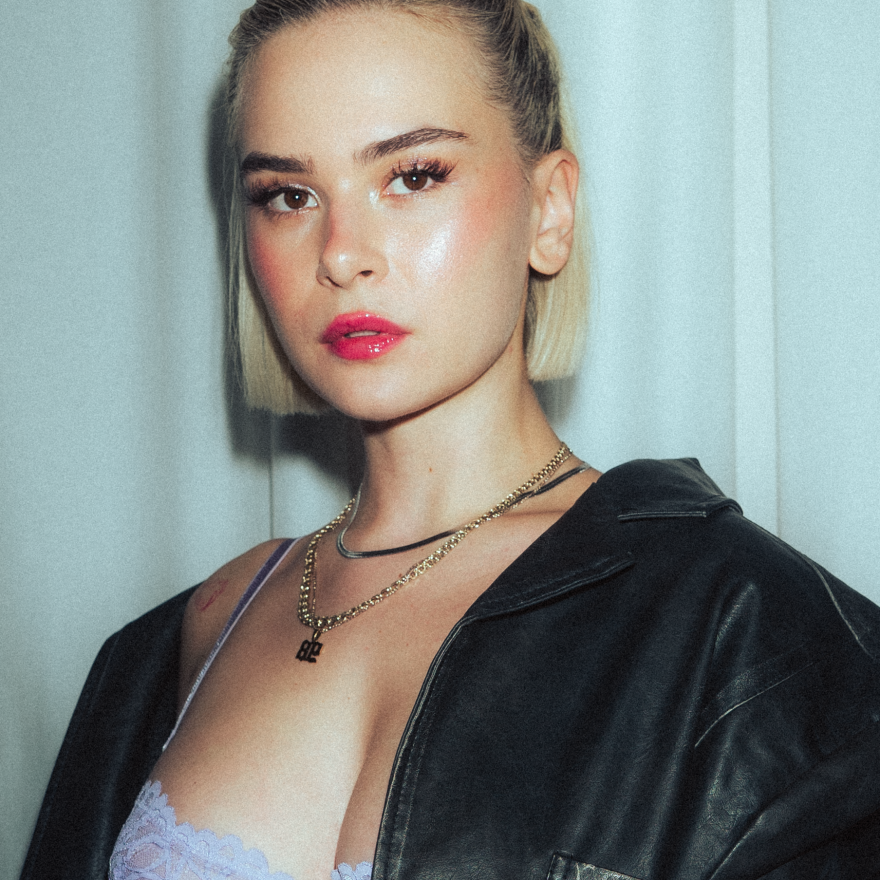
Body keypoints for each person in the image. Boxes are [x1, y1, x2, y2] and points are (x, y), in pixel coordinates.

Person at [20, 1, 880, 879]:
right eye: (289, 195)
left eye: (413, 176)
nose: (341, 254)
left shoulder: (751, 631)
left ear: (549, 211)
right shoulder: (189, 635)